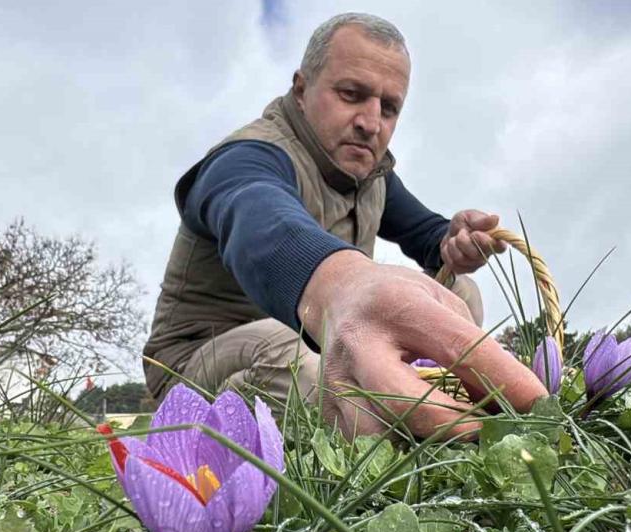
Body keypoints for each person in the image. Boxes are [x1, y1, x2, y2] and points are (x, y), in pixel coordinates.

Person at [142, 12, 546, 439]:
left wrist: (455, 239)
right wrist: (346, 285)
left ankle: (427, 403)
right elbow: (258, 217)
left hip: (316, 340)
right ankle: (394, 436)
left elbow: (427, 235)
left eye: (389, 108)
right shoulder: (246, 157)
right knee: (289, 352)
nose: (371, 123)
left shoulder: (374, 178)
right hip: (194, 361)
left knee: (460, 290)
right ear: (301, 90)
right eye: (352, 94)